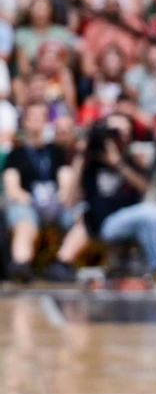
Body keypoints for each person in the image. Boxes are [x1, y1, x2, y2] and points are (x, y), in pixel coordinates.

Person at [82, 113, 156, 286]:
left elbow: (144, 187)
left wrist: (119, 163)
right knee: (146, 213)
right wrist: (84, 153)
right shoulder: (92, 160)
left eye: (124, 130)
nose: (120, 135)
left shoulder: (129, 158)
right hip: (107, 223)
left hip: (138, 216)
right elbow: (75, 197)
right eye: (115, 131)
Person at [5, 101, 87, 283]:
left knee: (83, 218)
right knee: (24, 223)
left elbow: (65, 180)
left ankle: (61, 262)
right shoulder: (16, 154)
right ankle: (21, 264)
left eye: (40, 118)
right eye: (31, 118)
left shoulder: (56, 152)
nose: (35, 122)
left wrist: (60, 198)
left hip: (56, 203)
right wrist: (32, 200)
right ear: (24, 122)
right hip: (28, 203)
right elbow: (12, 187)